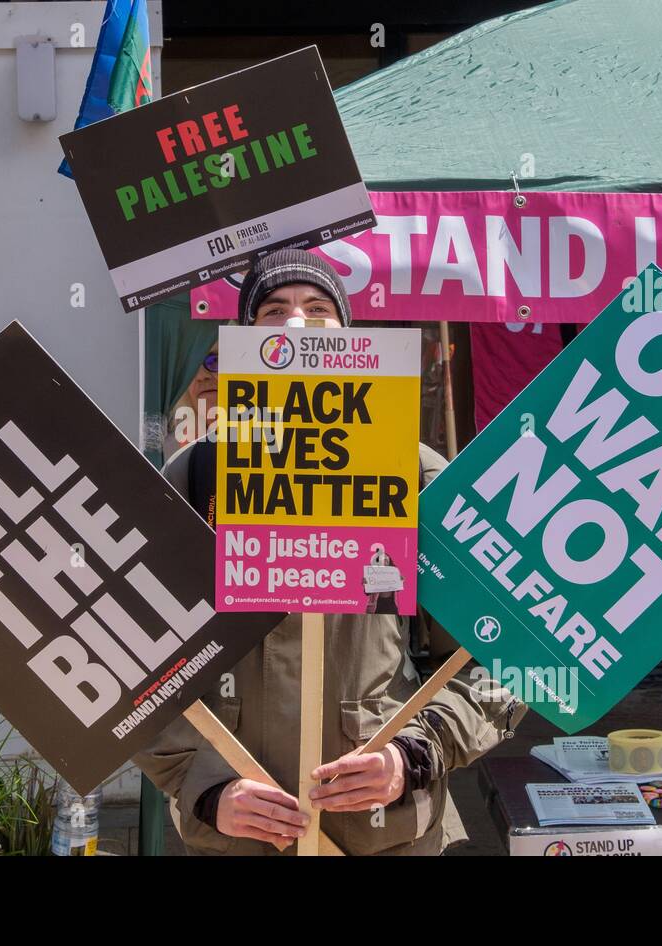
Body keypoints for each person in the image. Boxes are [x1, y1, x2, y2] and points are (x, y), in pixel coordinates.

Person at [133, 249, 527, 855]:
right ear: (244, 340)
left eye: (318, 308)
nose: (298, 327)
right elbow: (124, 663)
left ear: (348, 335)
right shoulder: (195, 475)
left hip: (384, 834)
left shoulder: (415, 475)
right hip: (238, 838)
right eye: (275, 311)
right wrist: (203, 785)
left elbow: (515, 651)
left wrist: (416, 754)